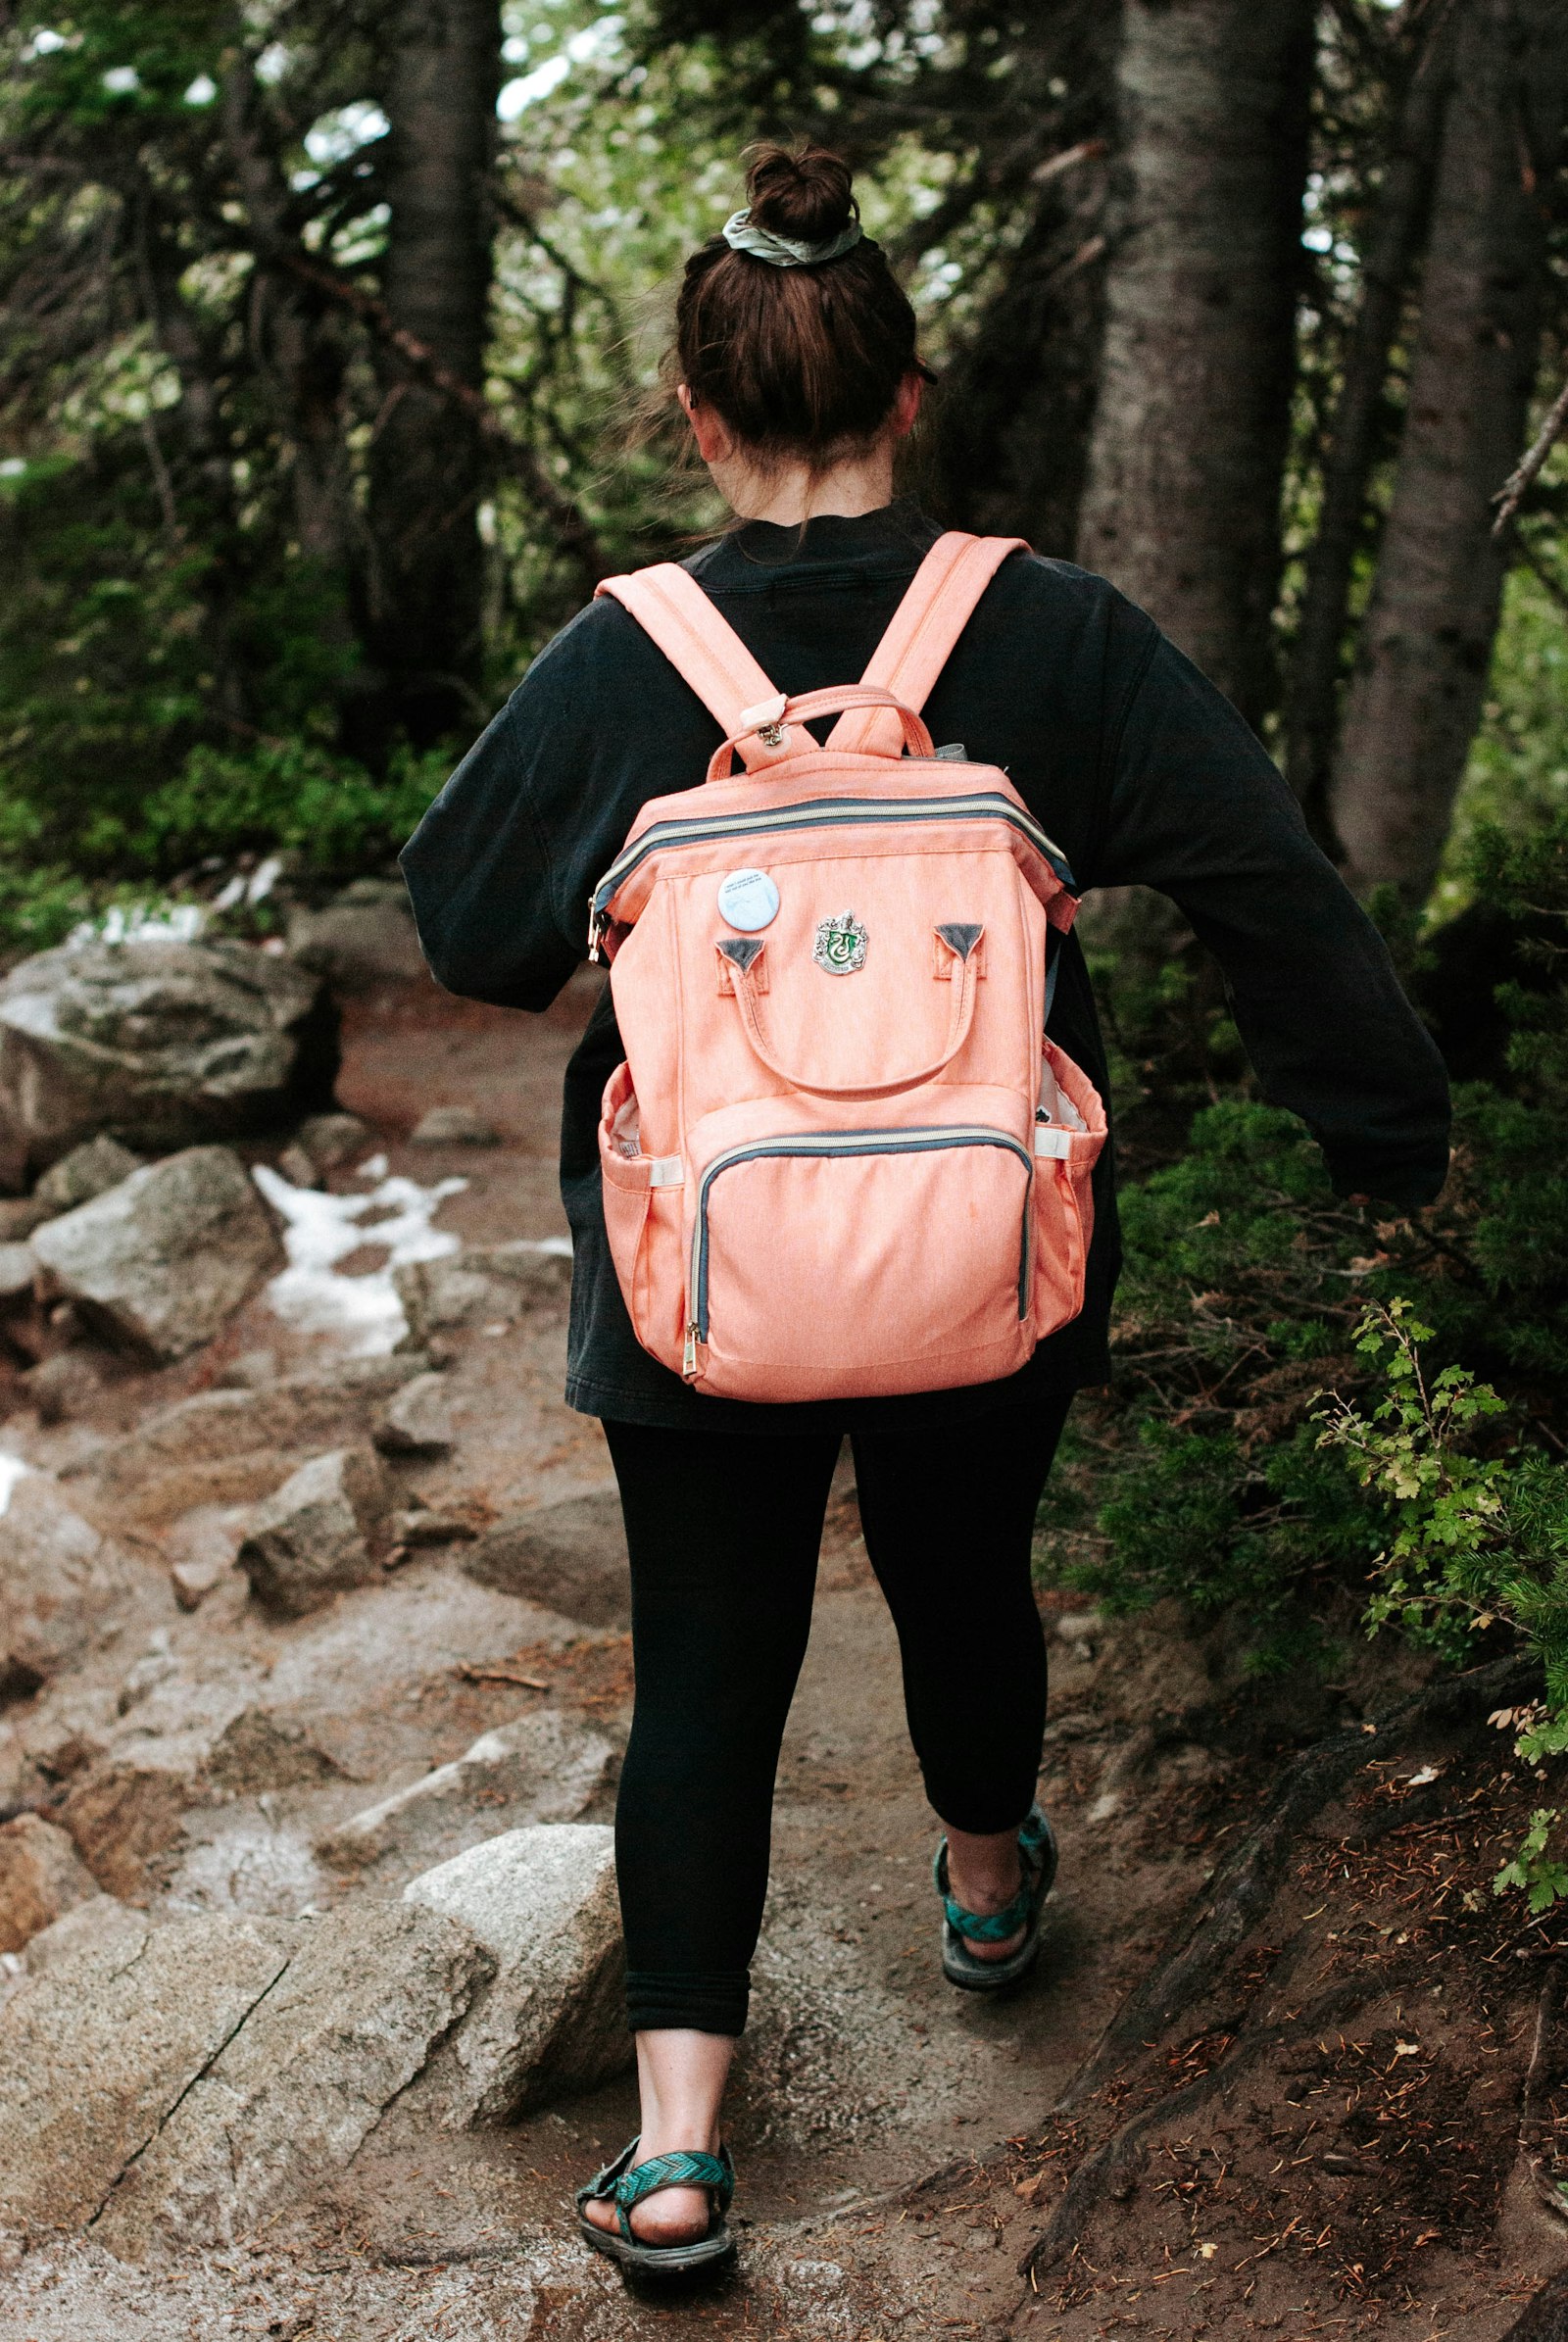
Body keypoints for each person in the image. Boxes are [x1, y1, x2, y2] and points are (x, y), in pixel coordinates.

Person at [400, 142, 1450, 2273]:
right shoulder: (1043, 627)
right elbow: (1266, 885)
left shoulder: (627, 660)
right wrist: (1380, 1140)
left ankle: (681, 2150)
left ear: (696, 416)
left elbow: (460, 922)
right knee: (965, 1574)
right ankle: (985, 1884)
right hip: (996, 1255)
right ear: (905, 396)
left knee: (704, 1664)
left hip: (694, 1274)